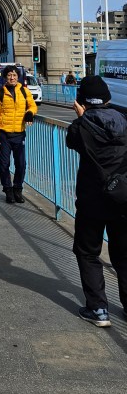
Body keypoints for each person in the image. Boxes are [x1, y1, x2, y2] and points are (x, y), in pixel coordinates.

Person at [66, 75, 127, 328]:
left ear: (81, 100)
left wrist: (82, 118)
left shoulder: (79, 127)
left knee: (87, 252)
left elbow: (72, 142)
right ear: (108, 98)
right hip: (122, 198)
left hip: (92, 200)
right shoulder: (124, 121)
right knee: (123, 254)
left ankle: (98, 309)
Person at [0, 65, 37, 204]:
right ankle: (8, 190)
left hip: (19, 134)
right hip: (3, 134)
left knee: (21, 164)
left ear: (18, 77)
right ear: (5, 77)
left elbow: (33, 105)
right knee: (4, 164)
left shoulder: (24, 91)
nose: (12, 78)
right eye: (9, 75)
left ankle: (17, 189)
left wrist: (30, 113)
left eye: (14, 75)